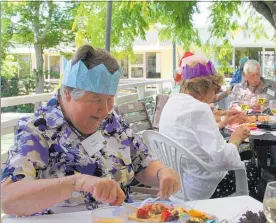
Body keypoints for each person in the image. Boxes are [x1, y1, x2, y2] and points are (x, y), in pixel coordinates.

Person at [1, 45, 180, 216]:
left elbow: (142, 162)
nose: (105, 110)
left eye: (110, 99)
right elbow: (8, 199)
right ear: (68, 93)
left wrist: (162, 173)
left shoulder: (112, 122)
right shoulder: (38, 130)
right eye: (95, 100)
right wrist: (78, 182)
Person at [159, 54, 250, 200]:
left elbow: (191, 135)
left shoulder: (173, 102)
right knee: (257, 171)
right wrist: (236, 139)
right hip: (201, 188)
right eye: (216, 88)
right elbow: (222, 159)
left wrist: (222, 123)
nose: (215, 95)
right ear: (204, 87)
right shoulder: (200, 108)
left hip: (178, 184)